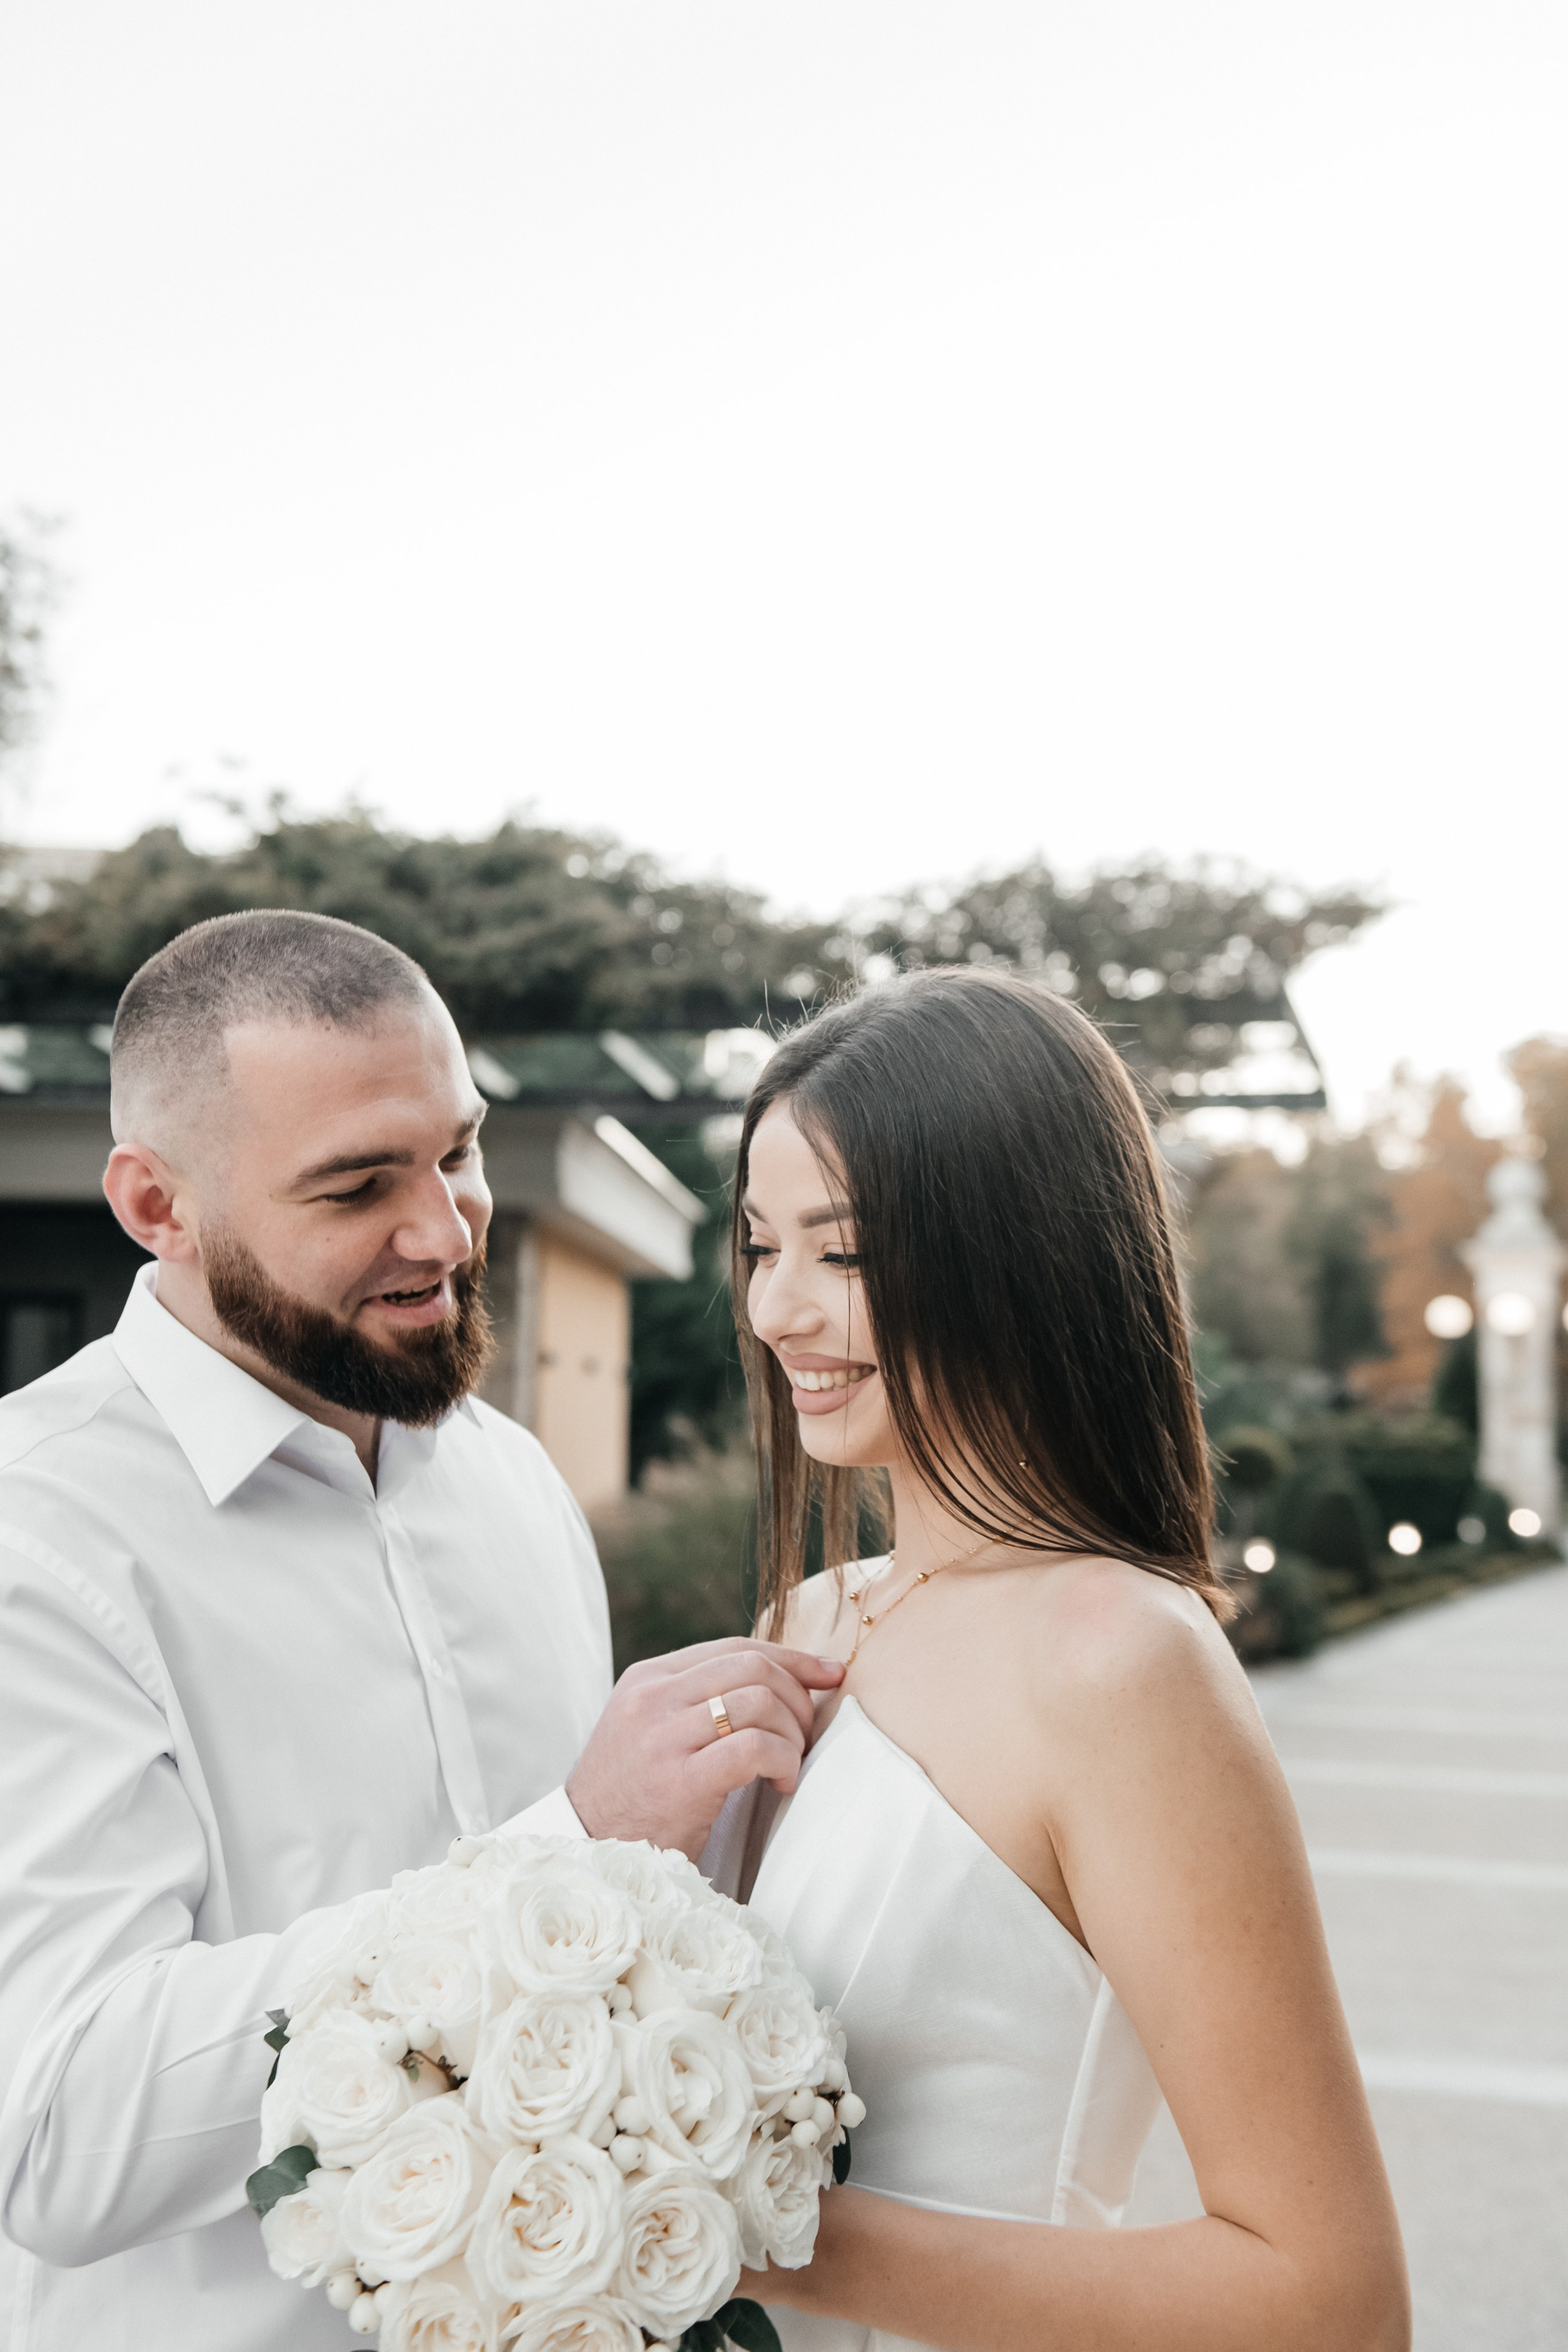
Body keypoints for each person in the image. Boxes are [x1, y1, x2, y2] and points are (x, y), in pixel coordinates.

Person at [0, 909, 840, 2352]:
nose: (443, 1231)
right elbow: (59, 2133)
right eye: (355, 1187)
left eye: (454, 1152)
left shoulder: (513, 1485)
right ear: (157, 1206)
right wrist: (566, 1841)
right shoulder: (35, 1535)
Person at [719, 968, 1410, 2352]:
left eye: (840, 1255)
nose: (776, 1311)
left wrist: (747, 2230)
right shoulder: (806, 1618)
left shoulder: (1116, 1662)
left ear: (1016, 1253)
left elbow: (1327, 2301)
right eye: (756, 1245)